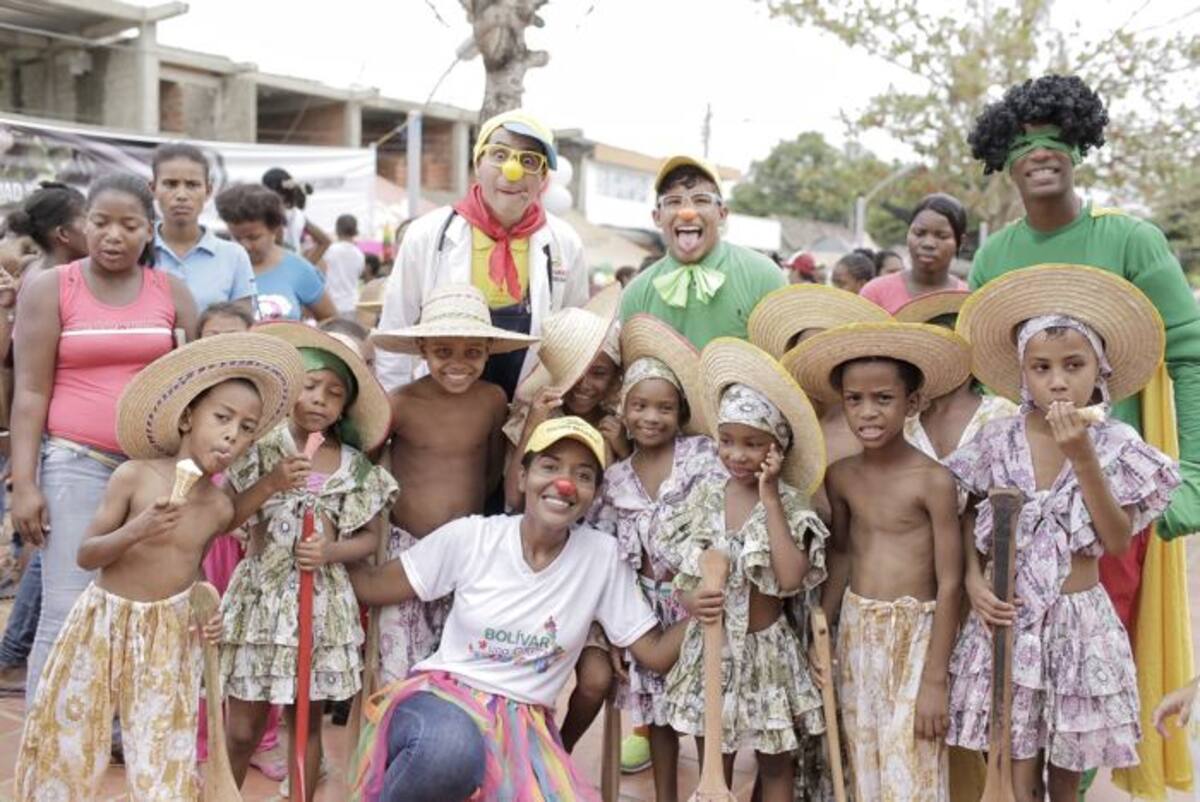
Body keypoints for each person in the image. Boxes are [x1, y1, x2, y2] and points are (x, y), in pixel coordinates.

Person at [967, 74, 1200, 798]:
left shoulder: (1128, 238)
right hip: (1021, 491)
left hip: (1106, 495)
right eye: (1024, 141)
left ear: (1080, 144)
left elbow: (1188, 352)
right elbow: (985, 384)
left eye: (1056, 137)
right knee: (1018, 682)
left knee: (1091, 662)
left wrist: (1193, 471)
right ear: (1004, 159)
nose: (1041, 152)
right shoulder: (993, 256)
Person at [14, 332, 303, 801]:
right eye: (222, 418)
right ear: (188, 416)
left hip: (168, 632)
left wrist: (205, 608)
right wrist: (137, 530)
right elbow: (88, 554)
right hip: (104, 622)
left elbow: (193, 565)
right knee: (71, 733)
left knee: (162, 743)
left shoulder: (217, 506)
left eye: (247, 428)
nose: (233, 434)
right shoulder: (136, 476)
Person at [345, 416, 696, 802]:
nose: (564, 483)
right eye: (549, 466)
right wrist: (327, 546)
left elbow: (656, 653)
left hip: (524, 729)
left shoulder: (601, 557)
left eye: (582, 475)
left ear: (594, 494)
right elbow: (374, 585)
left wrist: (708, 604)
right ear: (522, 477)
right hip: (442, 702)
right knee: (451, 752)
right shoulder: (473, 537)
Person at [945, 265, 1180, 801]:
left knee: (1066, 779)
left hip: (1079, 628)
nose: (1057, 380)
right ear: (1022, 372)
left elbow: (1117, 540)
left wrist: (1083, 457)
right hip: (1010, 623)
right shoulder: (998, 439)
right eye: (1041, 367)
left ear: (1099, 369)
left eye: (1073, 366)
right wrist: (976, 582)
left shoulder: (1118, 444)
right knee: (1013, 766)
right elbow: (962, 510)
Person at [10, 174, 198, 712]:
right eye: (100, 222)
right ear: (81, 225)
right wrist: (24, 483)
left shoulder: (173, 293)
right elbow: (30, 391)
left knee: (143, 601)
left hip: (151, 469)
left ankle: (119, 728)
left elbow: (193, 385)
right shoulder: (51, 287)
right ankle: (52, 738)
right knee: (68, 604)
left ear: (149, 231)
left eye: (129, 224)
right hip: (75, 462)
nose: (113, 235)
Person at [789, 321, 972, 801]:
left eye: (883, 399)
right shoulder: (841, 475)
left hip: (916, 637)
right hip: (856, 631)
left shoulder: (932, 480)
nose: (867, 412)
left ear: (912, 404)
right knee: (860, 757)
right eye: (855, 400)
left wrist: (935, 678)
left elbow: (951, 583)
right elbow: (844, 553)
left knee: (912, 766)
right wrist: (822, 630)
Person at [219, 323, 395, 800]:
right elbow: (229, 514)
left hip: (318, 607)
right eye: (311, 386)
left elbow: (370, 539)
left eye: (334, 393)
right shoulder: (259, 450)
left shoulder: (353, 467)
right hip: (260, 602)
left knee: (306, 724)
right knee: (241, 729)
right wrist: (271, 484)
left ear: (344, 408)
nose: (320, 399)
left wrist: (331, 551)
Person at [659, 337, 829, 802]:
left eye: (752, 444)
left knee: (776, 765)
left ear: (777, 447)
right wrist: (692, 600)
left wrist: (771, 496)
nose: (737, 455)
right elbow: (684, 579)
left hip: (768, 653)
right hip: (711, 651)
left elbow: (792, 579)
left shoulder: (791, 505)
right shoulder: (703, 500)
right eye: (728, 442)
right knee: (716, 757)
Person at [585, 314, 723, 800]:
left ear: (681, 413)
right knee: (658, 715)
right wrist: (611, 631)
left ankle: (712, 790)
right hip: (644, 609)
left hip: (699, 603)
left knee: (708, 706)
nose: (651, 417)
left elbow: (723, 521)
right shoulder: (616, 478)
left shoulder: (703, 457)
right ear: (623, 411)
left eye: (664, 408)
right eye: (640, 406)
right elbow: (606, 557)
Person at [368, 284, 533, 686]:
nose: (458, 363)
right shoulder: (399, 402)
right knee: (396, 669)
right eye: (443, 351)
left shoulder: (493, 400)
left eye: (472, 352)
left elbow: (492, 469)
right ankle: (391, 744)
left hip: (467, 554)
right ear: (423, 348)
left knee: (456, 665)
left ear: (488, 350)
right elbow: (367, 472)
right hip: (406, 551)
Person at [374, 110, 589, 399]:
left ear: (542, 178)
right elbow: (396, 324)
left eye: (529, 161)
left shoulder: (565, 242)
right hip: (438, 409)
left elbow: (573, 338)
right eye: (499, 155)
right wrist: (392, 412)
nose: (512, 171)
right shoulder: (427, 234)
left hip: (525, 409)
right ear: (478, 163)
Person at [0, 181, 89, 697]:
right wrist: (24, 464)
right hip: (55, 439)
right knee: (51, 556)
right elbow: (27, 377)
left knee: (48, 551)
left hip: (47, 435)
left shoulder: (47, 275)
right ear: (65, 232)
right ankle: (18, 658)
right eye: (90, 220)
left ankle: (15, 654)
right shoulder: (50, 281)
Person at [621, 155, 786, 348]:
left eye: (701, 200)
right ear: (657, 217)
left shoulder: (763, 276)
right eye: (674, 201)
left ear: (722, 214)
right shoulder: (636, 294)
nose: (687, 212)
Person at [502, 284, 626, 510]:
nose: (584, 385)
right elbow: (513, 498)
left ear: (615, 376)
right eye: (575, 374)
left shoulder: (620, 426)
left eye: (598, 373)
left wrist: (624, 450)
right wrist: (532, 426)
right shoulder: (534, 416)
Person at [151, 142, 257, 315]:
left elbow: (241, 331)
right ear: (153, 188)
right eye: (170, 184)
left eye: (192, 185)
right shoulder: (137, 252)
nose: (181, 195)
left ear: (208, 191)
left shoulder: (234, 256)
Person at [215, 184, 336, 322]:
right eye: (236, 238)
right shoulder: (217, 266)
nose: (245, 246)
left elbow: (331, 320)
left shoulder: (299, 269)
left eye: (253, 237)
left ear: (275, 229)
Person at [859, 194, 968, 314]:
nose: (928, 244)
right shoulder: (875, 294)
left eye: (941, 236)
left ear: (960, 242)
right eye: (919, 233)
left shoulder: (969, 301)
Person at [262, 166, 331, 264]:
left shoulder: (269, 213)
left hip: (276, 268)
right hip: (294, 265)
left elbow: (278, 243)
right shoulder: (298, 214)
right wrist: (307, 266)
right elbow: (325, 241)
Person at [324, 214, 367, 318]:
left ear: (337, 229)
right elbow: (360, 274)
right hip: (352, 304)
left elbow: (320, 274)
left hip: (332, 304)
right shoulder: (359, 254)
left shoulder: (329, 251)